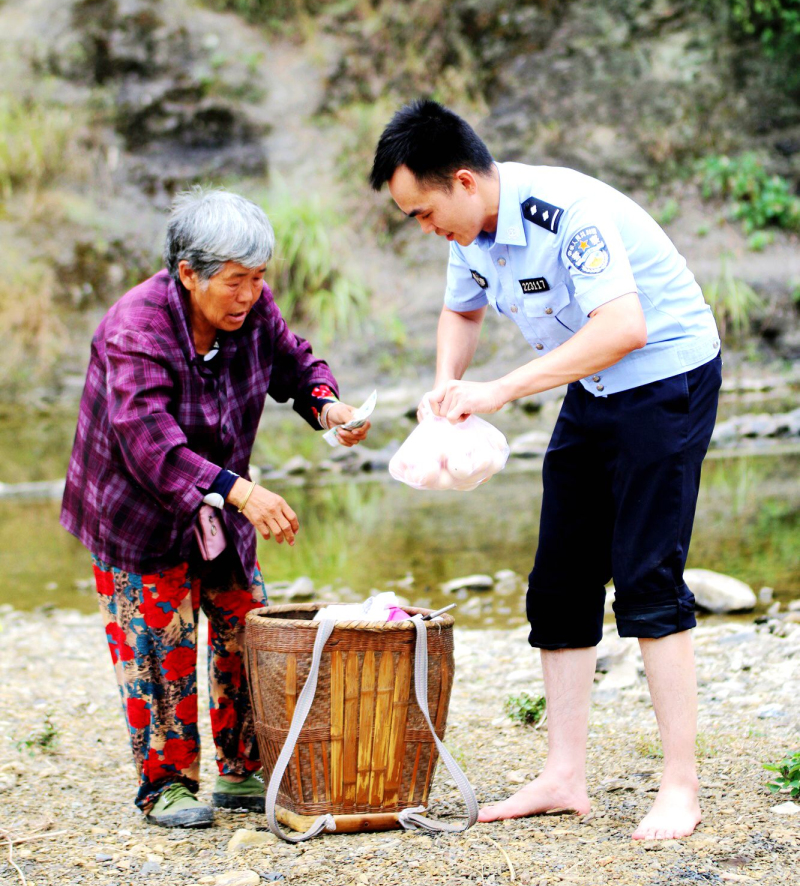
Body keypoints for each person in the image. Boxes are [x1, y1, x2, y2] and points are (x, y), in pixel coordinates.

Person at [370, 99, 721, 841]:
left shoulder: (567, 212)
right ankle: (563, 775)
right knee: (560, 578)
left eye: (423, 213)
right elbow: (461, 314)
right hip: (592, 385)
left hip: (665, 378)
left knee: (648, 574)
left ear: (464, 182)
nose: (425, 229)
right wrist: (445, 388)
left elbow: (625, 327)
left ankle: (680, 785)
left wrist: (498, 389)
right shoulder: (469, 231)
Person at [61, 188, 370, 828]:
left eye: (258, 279)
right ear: (188, 274)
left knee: (244, 626)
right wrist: (244, 492)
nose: (250, 294)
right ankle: (167, 784)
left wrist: (327, 406)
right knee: (157, 645)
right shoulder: (134, 330)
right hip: (137, 515)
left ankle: (242, 770)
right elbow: (149, 441)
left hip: (223, 503)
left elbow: (293, 361)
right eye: (234, 281)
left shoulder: (250, 310)